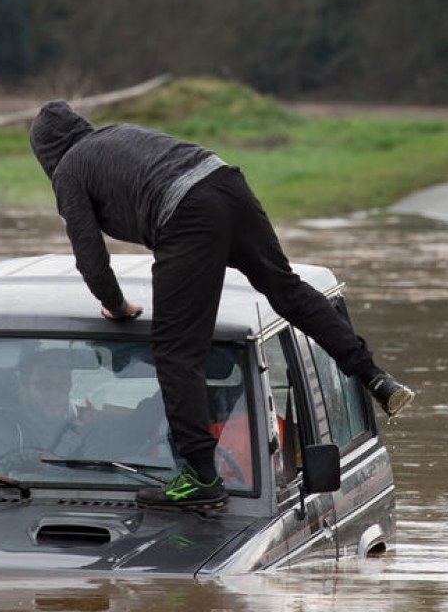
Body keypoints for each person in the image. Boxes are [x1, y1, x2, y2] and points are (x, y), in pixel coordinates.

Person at [28, 100, 415, 511]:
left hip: (186, 213)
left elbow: (90, 258)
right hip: (228, 186)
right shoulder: (115, 135)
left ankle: (200, 477)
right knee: (287, 291)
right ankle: (375, 377)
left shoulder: (70, 170)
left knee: (176, 351)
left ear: (46, 155)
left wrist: (117, 306)